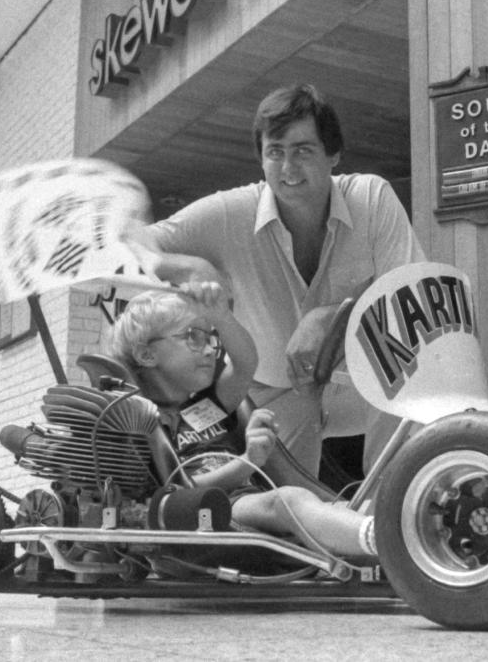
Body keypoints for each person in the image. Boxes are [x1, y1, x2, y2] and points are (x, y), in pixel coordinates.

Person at [136, 83, 425, 475]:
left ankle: (389, 505)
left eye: (303, 151)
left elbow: (409, 298)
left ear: (333, 155)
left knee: (408, 364)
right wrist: (187, 267)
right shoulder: (230, 212)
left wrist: (328, 317)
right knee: (292, 510)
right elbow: (132, 244)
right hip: (274, 395)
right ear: (262, 159)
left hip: (360, 389)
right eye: (275, 153)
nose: (288, 169)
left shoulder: (372, 199)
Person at [111, 285, 376, 558]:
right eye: (192, 337)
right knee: (289, 500)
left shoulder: (206, 405)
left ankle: (400, 534)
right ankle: (381, 543)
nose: (208, 351)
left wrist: (222, 317)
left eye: (209, 338)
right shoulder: (143, 422)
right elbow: (178, 490)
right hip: (207, 509)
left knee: (353, 506)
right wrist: (247, 461)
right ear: (146, 355)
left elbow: (245, 362)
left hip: (243, 501)